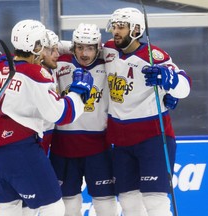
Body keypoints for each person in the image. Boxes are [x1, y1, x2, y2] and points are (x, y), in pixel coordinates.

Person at [0, 19, 94, 216]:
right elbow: (60, 113)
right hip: (19, 150)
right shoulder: (36, 74)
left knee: (9, 208)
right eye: (43, 45)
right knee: (53, 207)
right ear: (36, 47)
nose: (47, 51)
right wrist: (79, 92)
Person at [103, 8, 191, 216]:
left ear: (136, 30)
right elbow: (76, 48)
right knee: (129, 203)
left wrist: (166, 79)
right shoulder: (107, 50)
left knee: (155, 203)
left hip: (152, 138)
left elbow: (184, 86)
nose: (116, 31)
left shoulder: (153, 55)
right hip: (121, 140)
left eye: (121, 27)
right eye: (114, 26)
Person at [49, 23, 118, 216]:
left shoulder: (109, 61)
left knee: (105, 203)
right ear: (73, 46)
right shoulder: (59, 62)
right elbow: (40, 49)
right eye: (79, 47)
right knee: (68, 204)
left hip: (99, 145)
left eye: (90, 48)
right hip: (63, 144)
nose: (84, 53)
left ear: (99, 47)